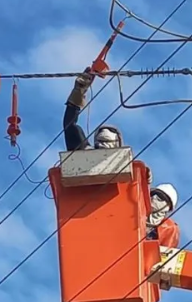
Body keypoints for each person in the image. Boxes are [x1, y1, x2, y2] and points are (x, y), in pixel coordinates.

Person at [63, 68, 181, 248]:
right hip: (92, 224)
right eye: (101, 142)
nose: (103, 146)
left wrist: (143, 179)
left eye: (109, 143)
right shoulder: (84, 160)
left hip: (117, 235)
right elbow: (70, 126)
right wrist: (78, 92)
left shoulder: (127, 178)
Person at [147, 183, 180, 248]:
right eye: (152, 194)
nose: (154, 198)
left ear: (167, 207)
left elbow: (165, 252)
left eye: (160, 198)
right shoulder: (134, 211)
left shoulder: (169, 228)